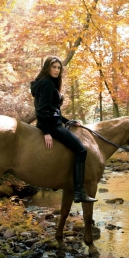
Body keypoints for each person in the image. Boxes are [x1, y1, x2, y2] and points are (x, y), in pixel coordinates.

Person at [30, 56, 97, 203]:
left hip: (53, 123)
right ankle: (79, 192)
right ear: (47, 68)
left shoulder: (47, 83)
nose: (56, 70)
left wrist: (69, 121)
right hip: (51, 127)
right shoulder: (47, 84)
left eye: (59, 68)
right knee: (81, 150)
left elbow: (54, 111)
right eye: (54, 67)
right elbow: (42, 110)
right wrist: (47, 132)